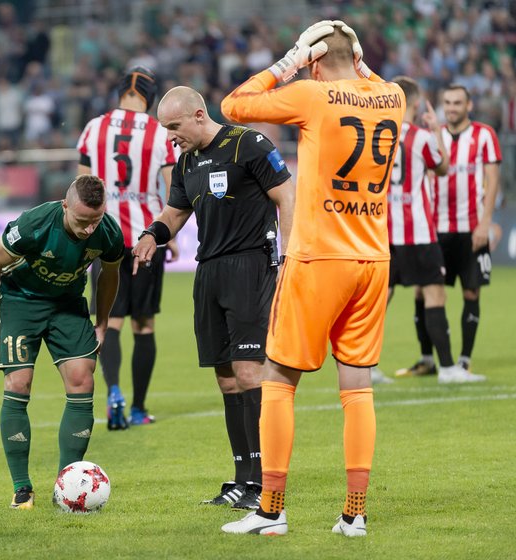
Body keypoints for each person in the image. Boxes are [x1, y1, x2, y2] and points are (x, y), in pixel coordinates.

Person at [218, 21, 404, 536]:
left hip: (320, 257)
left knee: (279, 382)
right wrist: (355, 57)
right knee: (358, 388)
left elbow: (235, 105)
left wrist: (290, 61)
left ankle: (272, 511)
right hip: (373, 261)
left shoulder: (311, 93)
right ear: (359, 55)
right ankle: (354, 514)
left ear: (315, 59)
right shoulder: (391, 97)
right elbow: (367, 78)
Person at [132, 86, 295, 511]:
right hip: (210, 271)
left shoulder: (248, 144)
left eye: (174, 126)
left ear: (199, 115)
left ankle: (262, 482)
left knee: (247, 371)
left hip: (251, 267)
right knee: (225, 377)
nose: (170, 136)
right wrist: (153, 233)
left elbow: (287, 196)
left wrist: (289, 255)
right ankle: (242, 478)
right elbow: (176, 213)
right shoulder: (187, 161)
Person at [0, 174, 124, 510]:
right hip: (21, 301)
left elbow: (110, 274)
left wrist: (102, 323)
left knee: (82, 379)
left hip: (68, 307)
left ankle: (66, 484)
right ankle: (21, 488)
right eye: (82, 220)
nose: (90, 228)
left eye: (96, 219)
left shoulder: (109, 232)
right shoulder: (34, 225)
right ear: (65, 207)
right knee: (19, 382)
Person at [76, 66, 181, 429]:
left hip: (104, 238)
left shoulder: (95, 128)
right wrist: (173, 236)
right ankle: (137, 408)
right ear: (151, 98)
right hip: (146, 238)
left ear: (120, 93)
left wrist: (81, 232)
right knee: (144, 324)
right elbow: (173, 188)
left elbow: (80, 188)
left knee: (108, 321)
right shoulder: (160, 132)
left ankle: (113, 392)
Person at [388, 77, 485, 383]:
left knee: (377, 300)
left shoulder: (377, 134)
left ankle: (364, 367)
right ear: (416, 104)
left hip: (385, 231)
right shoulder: (419, 137)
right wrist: (434, 131)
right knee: (435, 294)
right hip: (417, 231)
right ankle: (447, 368)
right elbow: (442, 167)